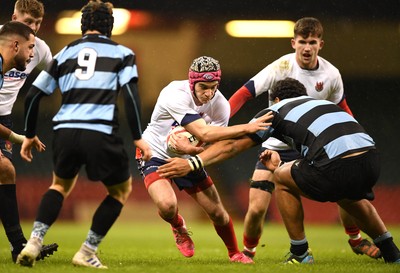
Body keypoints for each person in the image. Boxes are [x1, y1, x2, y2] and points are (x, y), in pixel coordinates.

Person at [157, 77, 400, 264]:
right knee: (347, 195)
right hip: (370, 159)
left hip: (335, 162)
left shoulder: (276, 110)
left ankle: (300, 252)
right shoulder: (323, 103)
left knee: (281, 176)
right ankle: (391, 250)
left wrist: (192, 161)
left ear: (275, 100)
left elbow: (232, 146)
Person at [228, 17, 380, 260]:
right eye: (302, 42)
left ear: (321, 44)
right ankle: (248, 252)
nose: (306, 47)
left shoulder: (331, 74)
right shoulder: (280, 67)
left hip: (310, 147)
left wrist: (355, 135)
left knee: (348, 191)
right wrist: (220, 121)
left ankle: (355, 239)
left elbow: (341, 108)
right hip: (276, 146)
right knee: (256, 208)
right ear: (293, 43)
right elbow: (244, 93)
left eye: (312, 42)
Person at [16, 0, 151, 269]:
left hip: (65, 131)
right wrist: (137, 135)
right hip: (100, 131)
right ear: (109, 26)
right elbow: (132, 97)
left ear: (83, 25)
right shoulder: (123, 53)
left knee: (59, 186)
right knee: (120, 190)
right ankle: (87, 250)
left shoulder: (64, 54)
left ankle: (33, 242)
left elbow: (33, 96)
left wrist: (29, 134)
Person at [137, 55, 271, 264]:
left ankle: (235, 254)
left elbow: (212, 145)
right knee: (167, 206)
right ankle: (178, 226)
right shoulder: (174, 94)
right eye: (203, 87)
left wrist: (191, 150)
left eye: (213, 86)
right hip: (155, 153)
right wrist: (247, 127)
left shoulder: (220, 106)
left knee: (218, 213)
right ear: (192, 83)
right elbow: (205, 133)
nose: (209, 93)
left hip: (188, 157)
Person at [0, 0, 57, 263]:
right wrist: (16, 137)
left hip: (4, 119)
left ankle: (18, 246)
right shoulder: (7, 43)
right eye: (27, 23)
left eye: (37, 24)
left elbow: (53, 77)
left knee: (4, 171)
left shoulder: (39, 50)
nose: (33, 30)